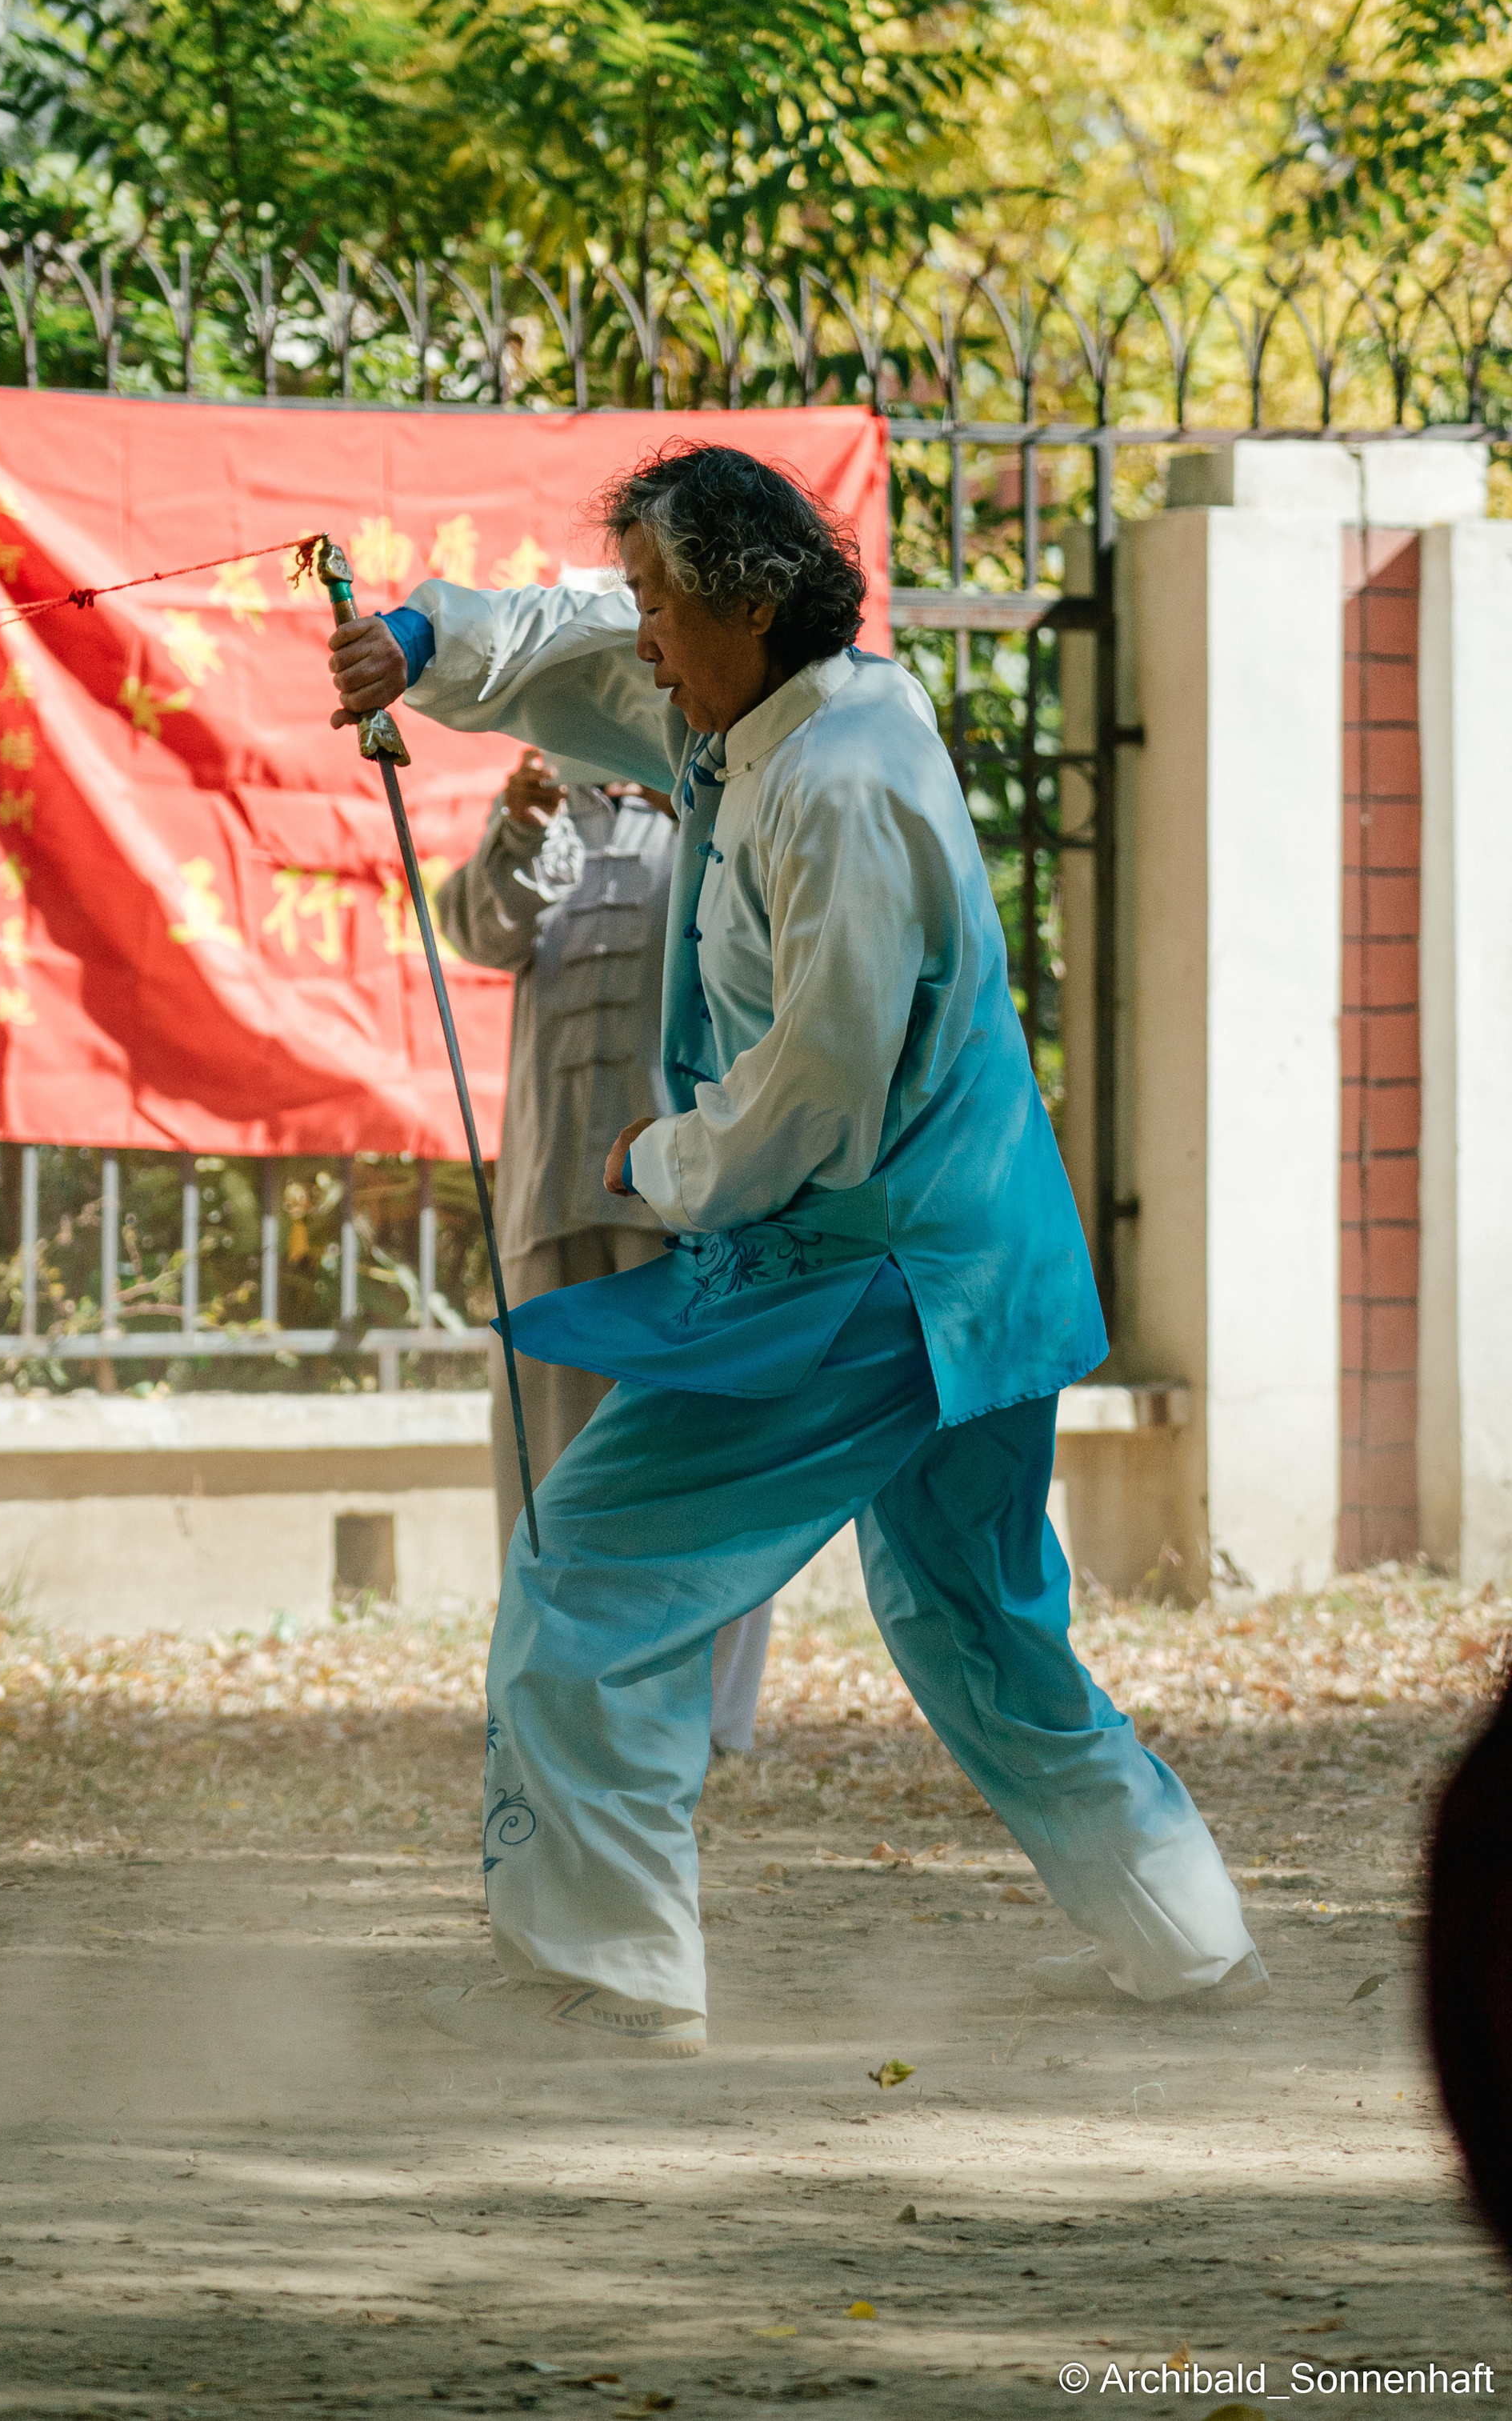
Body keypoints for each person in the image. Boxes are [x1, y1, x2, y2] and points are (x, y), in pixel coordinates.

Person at [330, 441, 1265, 2060]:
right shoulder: (768, 713)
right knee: (975, 1621)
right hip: (964, 1263)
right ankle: (1189, 1940)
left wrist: (660, 1158)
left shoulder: (839, 784)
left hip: (869, 1271)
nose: (637, 638)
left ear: (747, 603)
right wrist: (425, 644)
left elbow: (817, 1097)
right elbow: (565, 634)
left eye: (660, 604)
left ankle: (606, 1972)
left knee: (594, 1562)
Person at [438, 746, 774, 1752]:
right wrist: (524, 825)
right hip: (551, 1193)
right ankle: (560, 1686)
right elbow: (475, 926)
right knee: (550, 1461)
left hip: (682, 1202)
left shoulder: (719, 805)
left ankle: (699, 1712)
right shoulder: (551, 816)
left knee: (699, 1455)